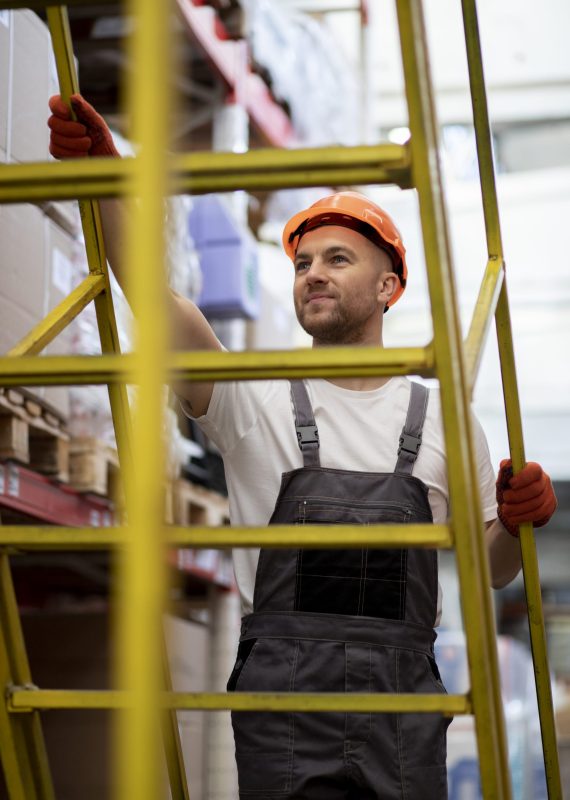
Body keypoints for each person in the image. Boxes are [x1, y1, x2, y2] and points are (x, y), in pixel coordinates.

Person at [49, 95, 557, 800]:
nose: (313, 272)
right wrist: (103, 184)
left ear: (387, 288)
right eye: (303, 262)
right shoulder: (252, 395)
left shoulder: (443, 414)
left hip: (402, 700)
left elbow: (493, 568)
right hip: (284, 702)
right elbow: (161, 306)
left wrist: (518, 520)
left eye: (337, 259)